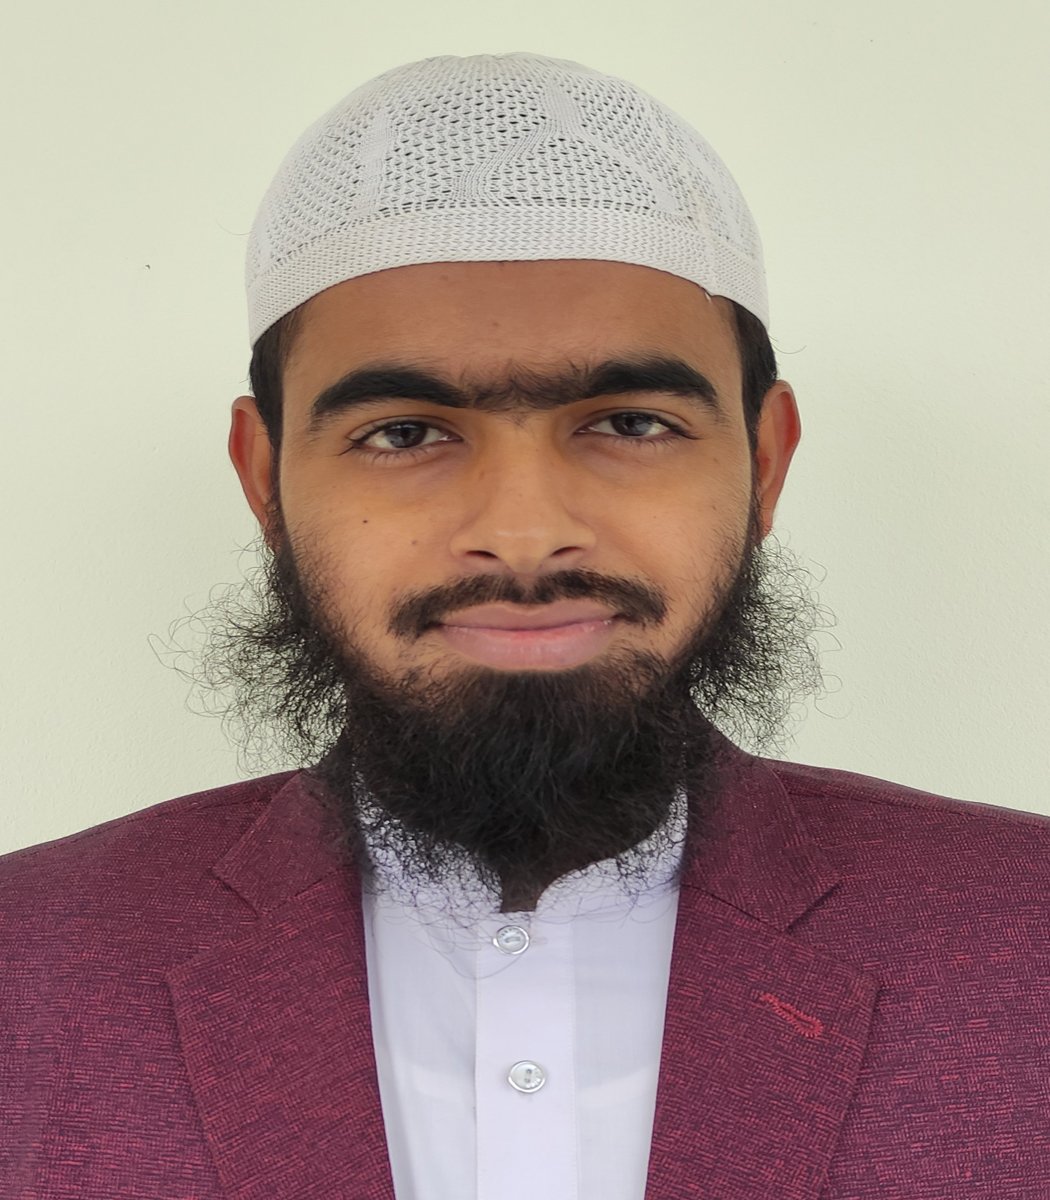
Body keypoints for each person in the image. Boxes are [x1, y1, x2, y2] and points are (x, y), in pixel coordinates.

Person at [1, 50, 1046, 1200]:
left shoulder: (1027, 937)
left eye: (630, 423)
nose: (524, 534)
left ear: (763, 462)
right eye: (405, 434)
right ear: (265, 482)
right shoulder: (25, 965)